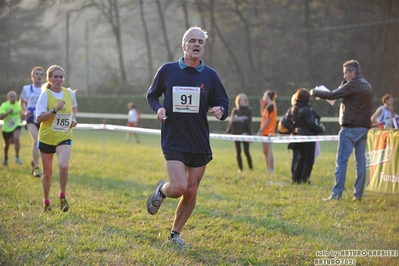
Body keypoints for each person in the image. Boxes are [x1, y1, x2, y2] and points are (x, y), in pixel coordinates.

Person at [146, 26, 229, 247]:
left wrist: (222, 111)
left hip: (199, 140)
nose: (196, 45)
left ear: (203, 47)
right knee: (179, 186)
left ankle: (174, 234)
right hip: (174, 137)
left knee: (191, 190)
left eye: (200, 42)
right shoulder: (167, 70)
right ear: (184, 45)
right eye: (192, 41)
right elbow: (152, 95)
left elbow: (223, 101)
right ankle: (162, 190)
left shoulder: (210, 75)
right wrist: (159, 109)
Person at [310, 60, 372, 201]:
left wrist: (314, 92)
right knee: (360, 162)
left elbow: (332, 95)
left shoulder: (353, 85)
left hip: (350, 127)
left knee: (342, 161)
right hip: (363, 128)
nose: (344, 76)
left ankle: (337, 194)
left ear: (352, 72)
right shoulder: (367, 85)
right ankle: (358, 194)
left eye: (345, 73)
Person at [36, 65, 78, 212]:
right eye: (55, 77)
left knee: (64, 166)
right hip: (47, 137)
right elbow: (39, 118)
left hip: (64, 136)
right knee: (47, 174)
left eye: (61, 77)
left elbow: (74, 108)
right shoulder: (45, 95)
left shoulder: (70, 93)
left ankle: (62, 195)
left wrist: (74, 119)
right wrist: (54, 110)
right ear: (49, 79)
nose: (59, 79)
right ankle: (46, 200)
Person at [290, 88, 324, 184]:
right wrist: (320, 129)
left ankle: (296, 179)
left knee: (301, 158)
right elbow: (311, 124)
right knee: (309, 159)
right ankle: (304, 179)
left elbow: (289, 122)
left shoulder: (293, 108)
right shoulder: (307, 110)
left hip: (298, 136)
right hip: (308, 137)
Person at [19, 66, 45, 177]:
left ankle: (35, 162)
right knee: (36, 140)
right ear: (32, 77)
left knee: (43, 143)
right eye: (37, 74)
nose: (39, 76)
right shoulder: (27, 89)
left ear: (44, 77)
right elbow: (22, 102)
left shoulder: (46, 88)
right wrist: (25, 111)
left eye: (41, 74)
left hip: (43, 117)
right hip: (31, 118)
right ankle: (36, 168)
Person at [226, 93, 253, 172]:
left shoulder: (249, 110)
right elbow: (232, 121)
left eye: (243, 100)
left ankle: (250, 167)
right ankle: (240, 168)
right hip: (236, 134)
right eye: (241, 100)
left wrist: (238, 119)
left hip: (245, 133)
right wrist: (242, 118)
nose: (242, 101)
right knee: (238, 152)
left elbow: (248, 120)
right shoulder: (235, 110)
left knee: (246, 151)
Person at [0, 91, 23, 167]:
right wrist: (8, 113)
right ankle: (6, 158)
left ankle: (17, 157)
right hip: (6, 127)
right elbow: (1, 117)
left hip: (16, 125)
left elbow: (20, 112)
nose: (13, 98)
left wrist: (20, 119)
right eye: (11, 97)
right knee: (7, 144)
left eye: (14, 96)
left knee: (17, 139)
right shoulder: (4, 105)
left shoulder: (18, 104)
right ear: (8, 98)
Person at [257, 90, 277, 173]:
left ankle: (271, 168)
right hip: (265, 132)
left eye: (264, 96)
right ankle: (269, 167)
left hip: (268, 132)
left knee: (268, 150)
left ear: (268, 97)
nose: (263, 98)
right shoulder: (268, 106)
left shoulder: (271, 106)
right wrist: (262, 106)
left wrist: (260, 130)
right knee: (265, 150)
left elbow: (268, 120)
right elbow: (263, 116)